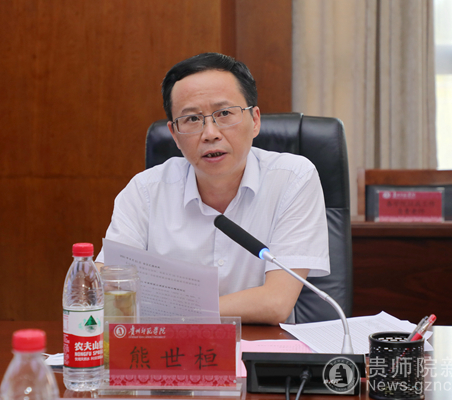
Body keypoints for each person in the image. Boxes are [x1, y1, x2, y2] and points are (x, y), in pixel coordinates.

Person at [96, 53, 330, 325]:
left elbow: (276, 302)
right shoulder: (145, 191)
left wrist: (178, 312)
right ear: (174, 135)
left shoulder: (293, 179)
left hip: (262, 347)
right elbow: (106, 284)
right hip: (172, 347)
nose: (210, 133)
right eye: (192, 119)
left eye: (224, 114)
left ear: (255, 120)